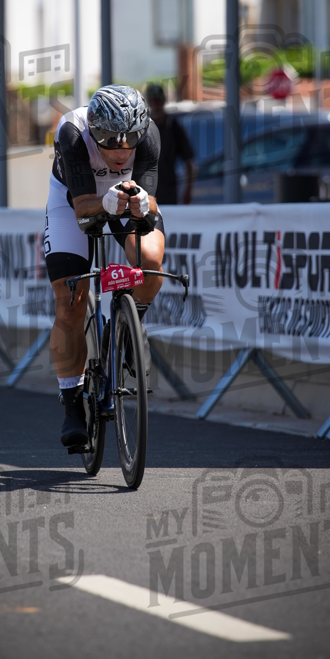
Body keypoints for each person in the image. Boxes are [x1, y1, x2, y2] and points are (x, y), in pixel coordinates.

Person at [44, 85, 165, 448]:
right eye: (110, 141)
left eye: (129, 141)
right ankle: (71, 402)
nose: (120, 149)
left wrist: (144, 203)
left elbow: (151, 199)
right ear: (94, 130)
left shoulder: (149, 135)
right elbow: (82, 208)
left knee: (151, 264)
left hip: (124, 196)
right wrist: (107, 200)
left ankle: (127, 326)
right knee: (70, 302)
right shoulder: (71, 131)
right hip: (72, 200)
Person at [145, 83, 195, 204]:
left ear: (163, 101)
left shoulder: (173, 127)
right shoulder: (143, 126)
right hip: (146, 191)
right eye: (152, 101)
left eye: (158, 100)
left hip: (169, 192)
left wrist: (188, 190)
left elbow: (189, 162)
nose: (155, 104)